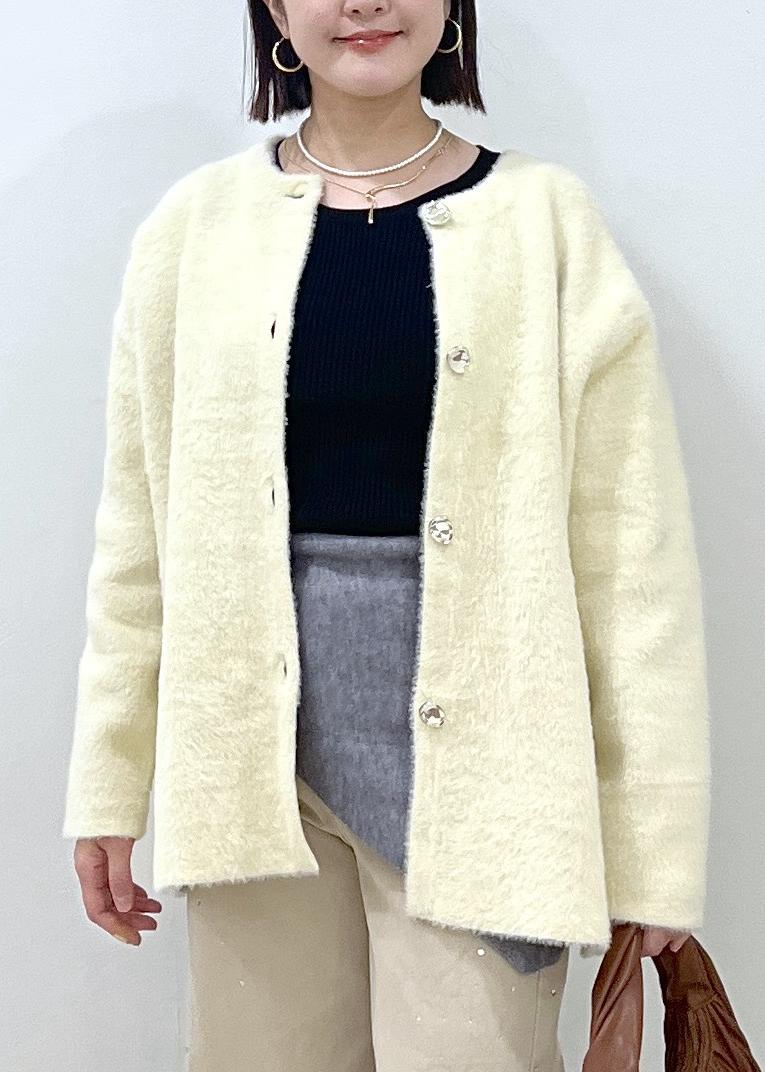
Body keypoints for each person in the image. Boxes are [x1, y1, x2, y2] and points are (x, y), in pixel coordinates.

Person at [62, 2, 712, 1069]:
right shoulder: (193, 230)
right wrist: (108, 783)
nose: (363, 2)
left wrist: (654, 849)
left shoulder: (546, 224)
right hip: (249, 776)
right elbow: (136, 539)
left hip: (494, 781)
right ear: (275, 12)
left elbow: (631, 561)